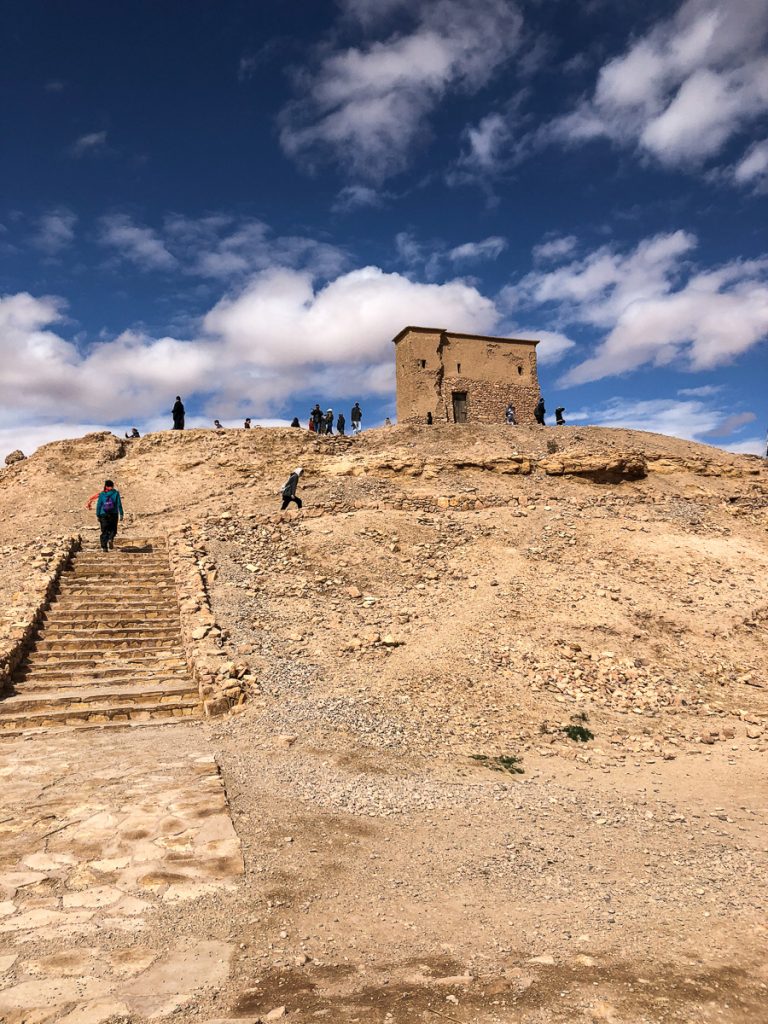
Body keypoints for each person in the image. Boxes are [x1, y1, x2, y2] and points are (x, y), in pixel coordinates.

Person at [87, 479, 124, 552]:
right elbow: (119, 504)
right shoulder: (116, 493)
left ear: (105, 486)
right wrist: (121, 513)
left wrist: (98, 514)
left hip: (103, 514)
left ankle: (104, 547)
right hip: (113, 514)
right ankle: (110, 538)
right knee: (113, 529)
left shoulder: (102, 494)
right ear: (112, 486)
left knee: (104, 531)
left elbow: (99, 505)